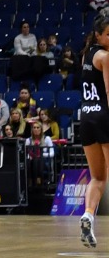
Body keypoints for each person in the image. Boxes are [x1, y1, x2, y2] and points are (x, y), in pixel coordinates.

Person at [83, 13, 109, 247]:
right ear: (98, 35)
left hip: (86, 117)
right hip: (104, 117)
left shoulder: (87, 54)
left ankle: (88, 215)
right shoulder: (106, 57)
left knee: (98, 177)